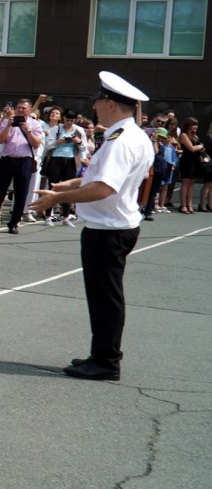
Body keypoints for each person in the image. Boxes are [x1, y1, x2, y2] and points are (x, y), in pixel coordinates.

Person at [30, 72, 153, 382]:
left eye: (98, 101)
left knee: (105, 298)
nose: (95, 107)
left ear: (110, 104)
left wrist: (57, 200)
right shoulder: (130, 135)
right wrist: (63, 188)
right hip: (114, 225)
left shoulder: (120, 141)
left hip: (108, 230)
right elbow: (95, 178)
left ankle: (107, 361)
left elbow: (102, 188)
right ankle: (101, 354)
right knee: (104, 297)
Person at [0, 98, 44, 234]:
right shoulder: (7, 121)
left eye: (24, 108)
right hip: (7, 160)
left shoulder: (35, 124)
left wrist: (27, 130)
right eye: (19, 107)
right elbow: (0, 140)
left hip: (24, 161)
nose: (20, 110)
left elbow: (36, 144)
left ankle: (14, 223)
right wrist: (8, 126)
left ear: (29, 110)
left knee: (21, 193)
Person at [41, 106, 85, 225]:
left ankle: (66, 216)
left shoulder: (79, 131)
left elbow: (83, 148)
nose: (69, 123)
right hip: (56, 159)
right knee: (53, 187)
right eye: (67, 120)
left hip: (71, 160)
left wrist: (78, 142)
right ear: (63, 119)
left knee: (68, 188)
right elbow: (47, 145)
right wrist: (58, 142)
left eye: (72, 120)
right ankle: (48, 216)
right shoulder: (56, 129)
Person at [177, 118, 205, 213]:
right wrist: (200, 146)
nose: (195, 126)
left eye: (196, 124)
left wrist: (200, 147)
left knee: (192, 184)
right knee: (186, 183)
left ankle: (189, 204)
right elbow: (192, 148)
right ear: (188, 125)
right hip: (187, 161)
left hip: (195, 161)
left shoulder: (195, 137)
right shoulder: (184, 135)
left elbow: (199, 148)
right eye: (193, 124)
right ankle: (183, 205)